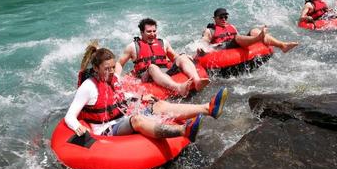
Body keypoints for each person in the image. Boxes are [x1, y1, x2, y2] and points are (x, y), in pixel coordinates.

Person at [65, 45, 228, 142]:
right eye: (106, 69)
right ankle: (183, 131)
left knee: (160, 105)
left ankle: (209, 108)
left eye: (113, 67)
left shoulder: (113, 79)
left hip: (120, 119)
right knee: (137, 120)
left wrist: (141, 97)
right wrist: (78, 127)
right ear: (96, 68)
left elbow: (120, 97)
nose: (111, 71)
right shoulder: (88, 87)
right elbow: (70, 116)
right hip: (104, 128)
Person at [115, 18, 210, 97]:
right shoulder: (133, 47)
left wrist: (188, 57)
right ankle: (179, 88)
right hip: (147, 75)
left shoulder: (163, 42)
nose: (152, 34)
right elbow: (119, 63)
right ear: (142, 32)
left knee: (183, 57)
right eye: (148, 32)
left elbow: (175, 57)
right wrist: (117, 77)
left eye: (154, 31)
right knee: (152, 67)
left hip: (165, 71)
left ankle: (197, 82)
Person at [198, 8, 299, 54]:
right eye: (221, 17)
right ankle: (259, 38)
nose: (224, 19)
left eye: (225, 17)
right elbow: (204, 41)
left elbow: (239, 39)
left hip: (235, 44)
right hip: (222, 48)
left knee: (254, 30)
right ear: (214, 18)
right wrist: (202, 50)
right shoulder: (210, 30)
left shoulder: (231, 26)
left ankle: (282, 46)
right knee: (237, 37)